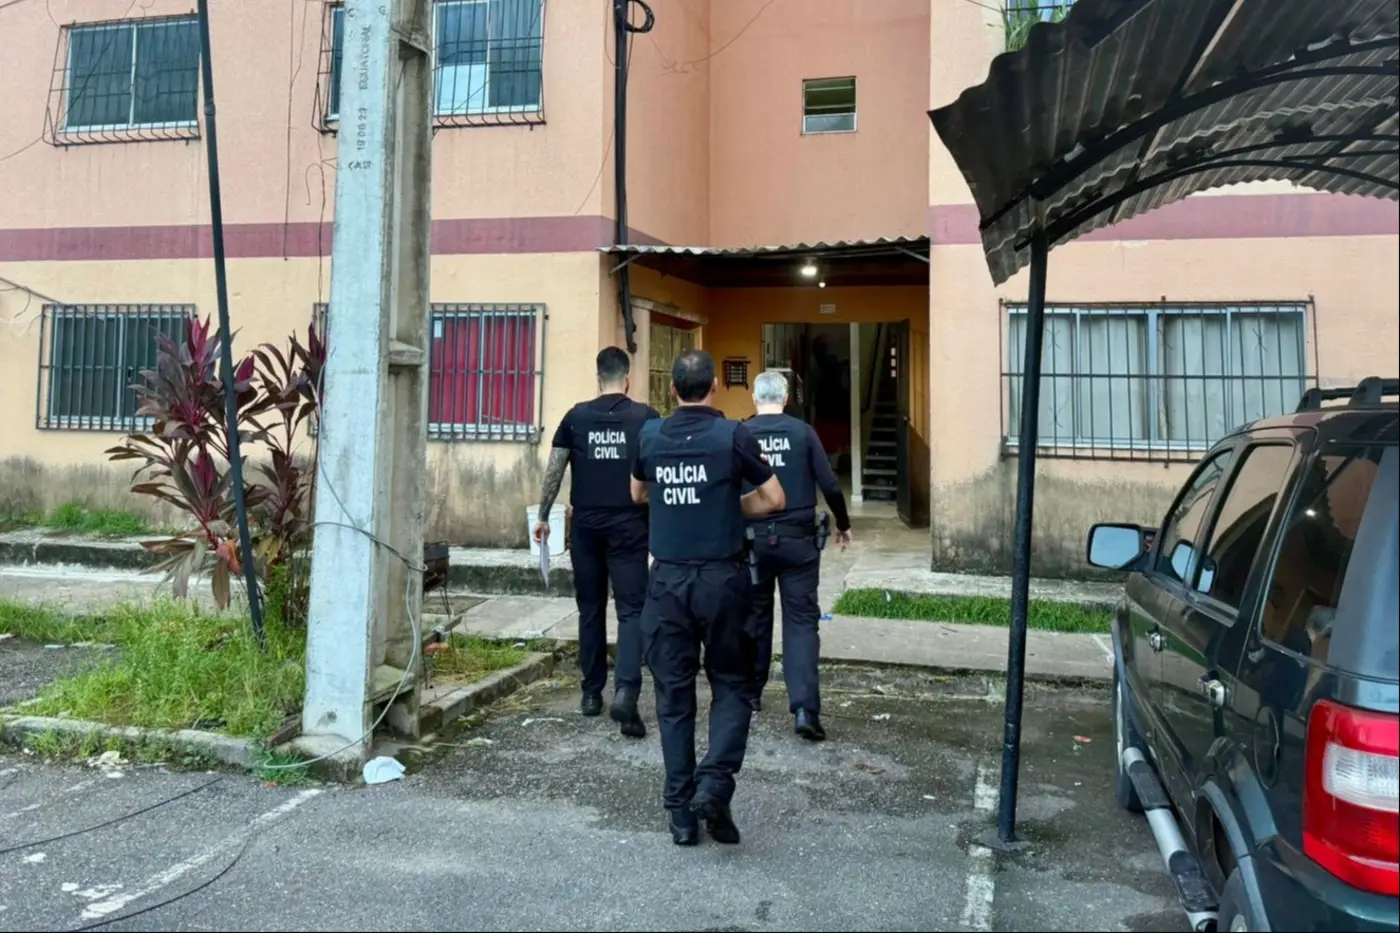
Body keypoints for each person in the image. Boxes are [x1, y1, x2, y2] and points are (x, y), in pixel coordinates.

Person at [630, 349, 786, 846]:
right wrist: (725, 504)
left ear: (672, 389)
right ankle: (715, 784)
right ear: (714, 386)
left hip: (668, 584)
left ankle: (681, 813)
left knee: (673, 696)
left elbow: (638, 493)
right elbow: (774, 498)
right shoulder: (733, 435)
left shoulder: (651, 435)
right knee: (732, 685)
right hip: (722, 580)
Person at [535, 347, 661, 738]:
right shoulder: (646, 418)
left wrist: (543, 516)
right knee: (631, 610)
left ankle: (591, 693)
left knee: (590, 609)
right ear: (628, 380)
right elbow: (659, 471)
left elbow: (555, 470)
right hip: (630, 524)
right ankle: (626, 690)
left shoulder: (576, 417)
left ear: (598, 377)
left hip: (586, 525)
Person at [743, 370, 853, 742]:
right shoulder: (803, 433)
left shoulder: (741, 433)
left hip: (753, 541)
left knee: (754, 616)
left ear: (754, 398)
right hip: (799, 543)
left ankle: (750, 694)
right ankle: (805, 708)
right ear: (786, 398)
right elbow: (830, 484)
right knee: (802, 621)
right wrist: (843, 523)